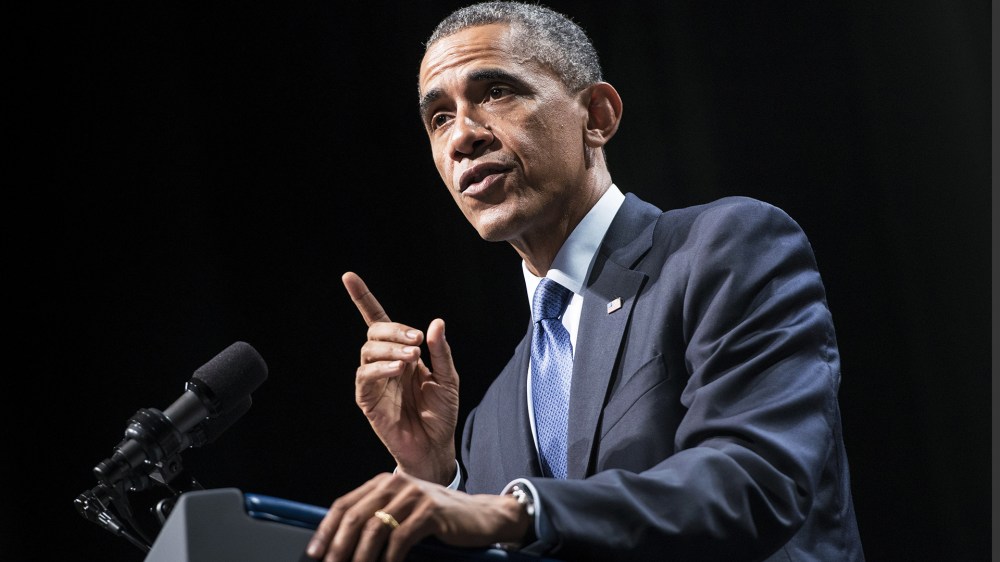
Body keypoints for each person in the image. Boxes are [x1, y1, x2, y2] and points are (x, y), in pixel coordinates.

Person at [306, 2, 864, 561]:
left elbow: (754, 479)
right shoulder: (491, 417)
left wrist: (520, 511)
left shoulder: (724, 247)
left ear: (596, 115)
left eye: (497, 92)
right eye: (440, 118)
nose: (463, 138)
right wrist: (436, 478)